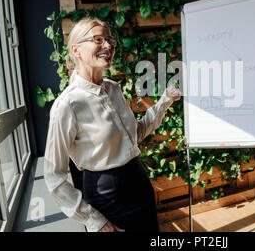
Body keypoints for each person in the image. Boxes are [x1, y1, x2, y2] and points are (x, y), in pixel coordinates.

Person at [44, 17, 181, 232]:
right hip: (107, 199)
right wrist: (94, 220)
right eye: (98, 39)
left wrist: (165, 100)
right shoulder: (67, 105)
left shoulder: (114, 89)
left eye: (110, 40)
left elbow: (136, 134)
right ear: (76, 50)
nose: (108, 46)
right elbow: (54, 177)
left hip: (139, 183)